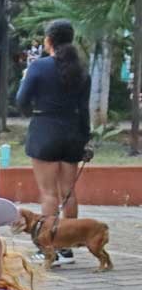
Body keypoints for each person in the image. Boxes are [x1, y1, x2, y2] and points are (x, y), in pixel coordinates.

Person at [15, 19, 91, 268]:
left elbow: (21, 99)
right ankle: (68, 247)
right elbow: (84, 109)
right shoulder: (81, 70)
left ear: (48, 40)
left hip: (45, 130)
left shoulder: (39, 66)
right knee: (68, 192)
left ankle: (49, 249)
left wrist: (33, 111)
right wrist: (85, 138)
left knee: (48, 192)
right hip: (73, 132)